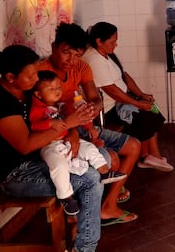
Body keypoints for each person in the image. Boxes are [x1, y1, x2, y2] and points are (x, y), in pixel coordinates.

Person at [0, 45, 106, 252]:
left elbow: (55, 119)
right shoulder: (0, 104)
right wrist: (68, 125)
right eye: (31, 75)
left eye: (37, 73)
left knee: (94, 168)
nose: (37, 79)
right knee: (89, 181)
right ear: (10, 78)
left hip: (39, 158)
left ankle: (82, 241)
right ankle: (84, 251)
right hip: (13, 175)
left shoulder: (25, 92)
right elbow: (25, 144)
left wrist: (73, 132)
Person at [39, 22, 141, 225]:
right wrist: (73, 131)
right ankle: (85, 216)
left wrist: (91, 110)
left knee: (133, 145)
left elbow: (96, 98)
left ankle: (108, 206)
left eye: (77, 55)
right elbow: (43, 118)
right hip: (57, 130)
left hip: (82, 125)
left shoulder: (81, 67)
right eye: (66, 52)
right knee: (108, 157)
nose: (71, 60)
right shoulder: (41, 72)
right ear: (53, 47)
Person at [31, 70, 127, 215]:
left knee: (89, 148)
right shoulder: (36, 109)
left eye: (58, 87)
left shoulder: (60, 105)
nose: (57, 91)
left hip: (66, 141)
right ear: (38, 94)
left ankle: (104, 172)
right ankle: (66, 197)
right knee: (58, 166)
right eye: (51, 89)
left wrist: (87, 126)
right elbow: (33, 126)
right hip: (49, 145)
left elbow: (75, 120)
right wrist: (50, 123)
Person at [83, 21, 173, 172]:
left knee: (152, 109)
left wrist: (141, 95)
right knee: (146, 115)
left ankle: (148, 156)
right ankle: (150, 156)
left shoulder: (107, 54)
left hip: (121, 101)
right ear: (99, 41)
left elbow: (124, 76)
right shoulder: (93, 59)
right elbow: (112, 91)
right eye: (112, 41)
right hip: (109, 110)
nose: (115, 45)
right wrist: (138, 104)